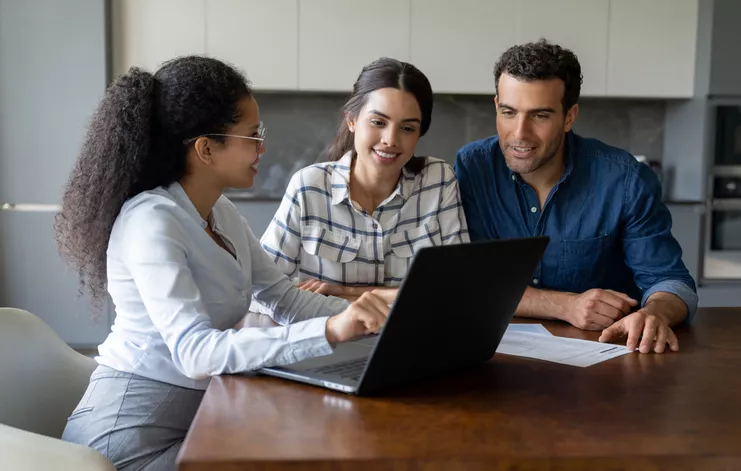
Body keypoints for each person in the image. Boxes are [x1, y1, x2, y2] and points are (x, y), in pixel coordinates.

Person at [54, 56, 395, 470]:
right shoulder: (151, 221)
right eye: (252, 136)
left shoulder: (221, 213)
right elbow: (195, 354)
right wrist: (331, 330)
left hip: (197, 420)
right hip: (124, 443)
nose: (263, 148)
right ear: (206, 148)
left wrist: (381, 318)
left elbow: (285, 300)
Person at [454, 40, 698, 354]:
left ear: (569, 117)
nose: (520, 133)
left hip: (607, 358)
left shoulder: (625, 179)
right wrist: (565, 305)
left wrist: (654, 314)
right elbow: (472, 282)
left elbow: (672, 282)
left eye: (540, 116)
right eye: (508, 112)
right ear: (496, 106)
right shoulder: (473, 168)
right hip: (496, 359)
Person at [256, 57, 469, 303]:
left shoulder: (439, 181)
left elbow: (458, 288)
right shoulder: (309, 186)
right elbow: (263, 289)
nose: (391, 139)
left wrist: (346, 292)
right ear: (352, 120)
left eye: (407, 128)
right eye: (378, 122)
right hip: (327, 338)